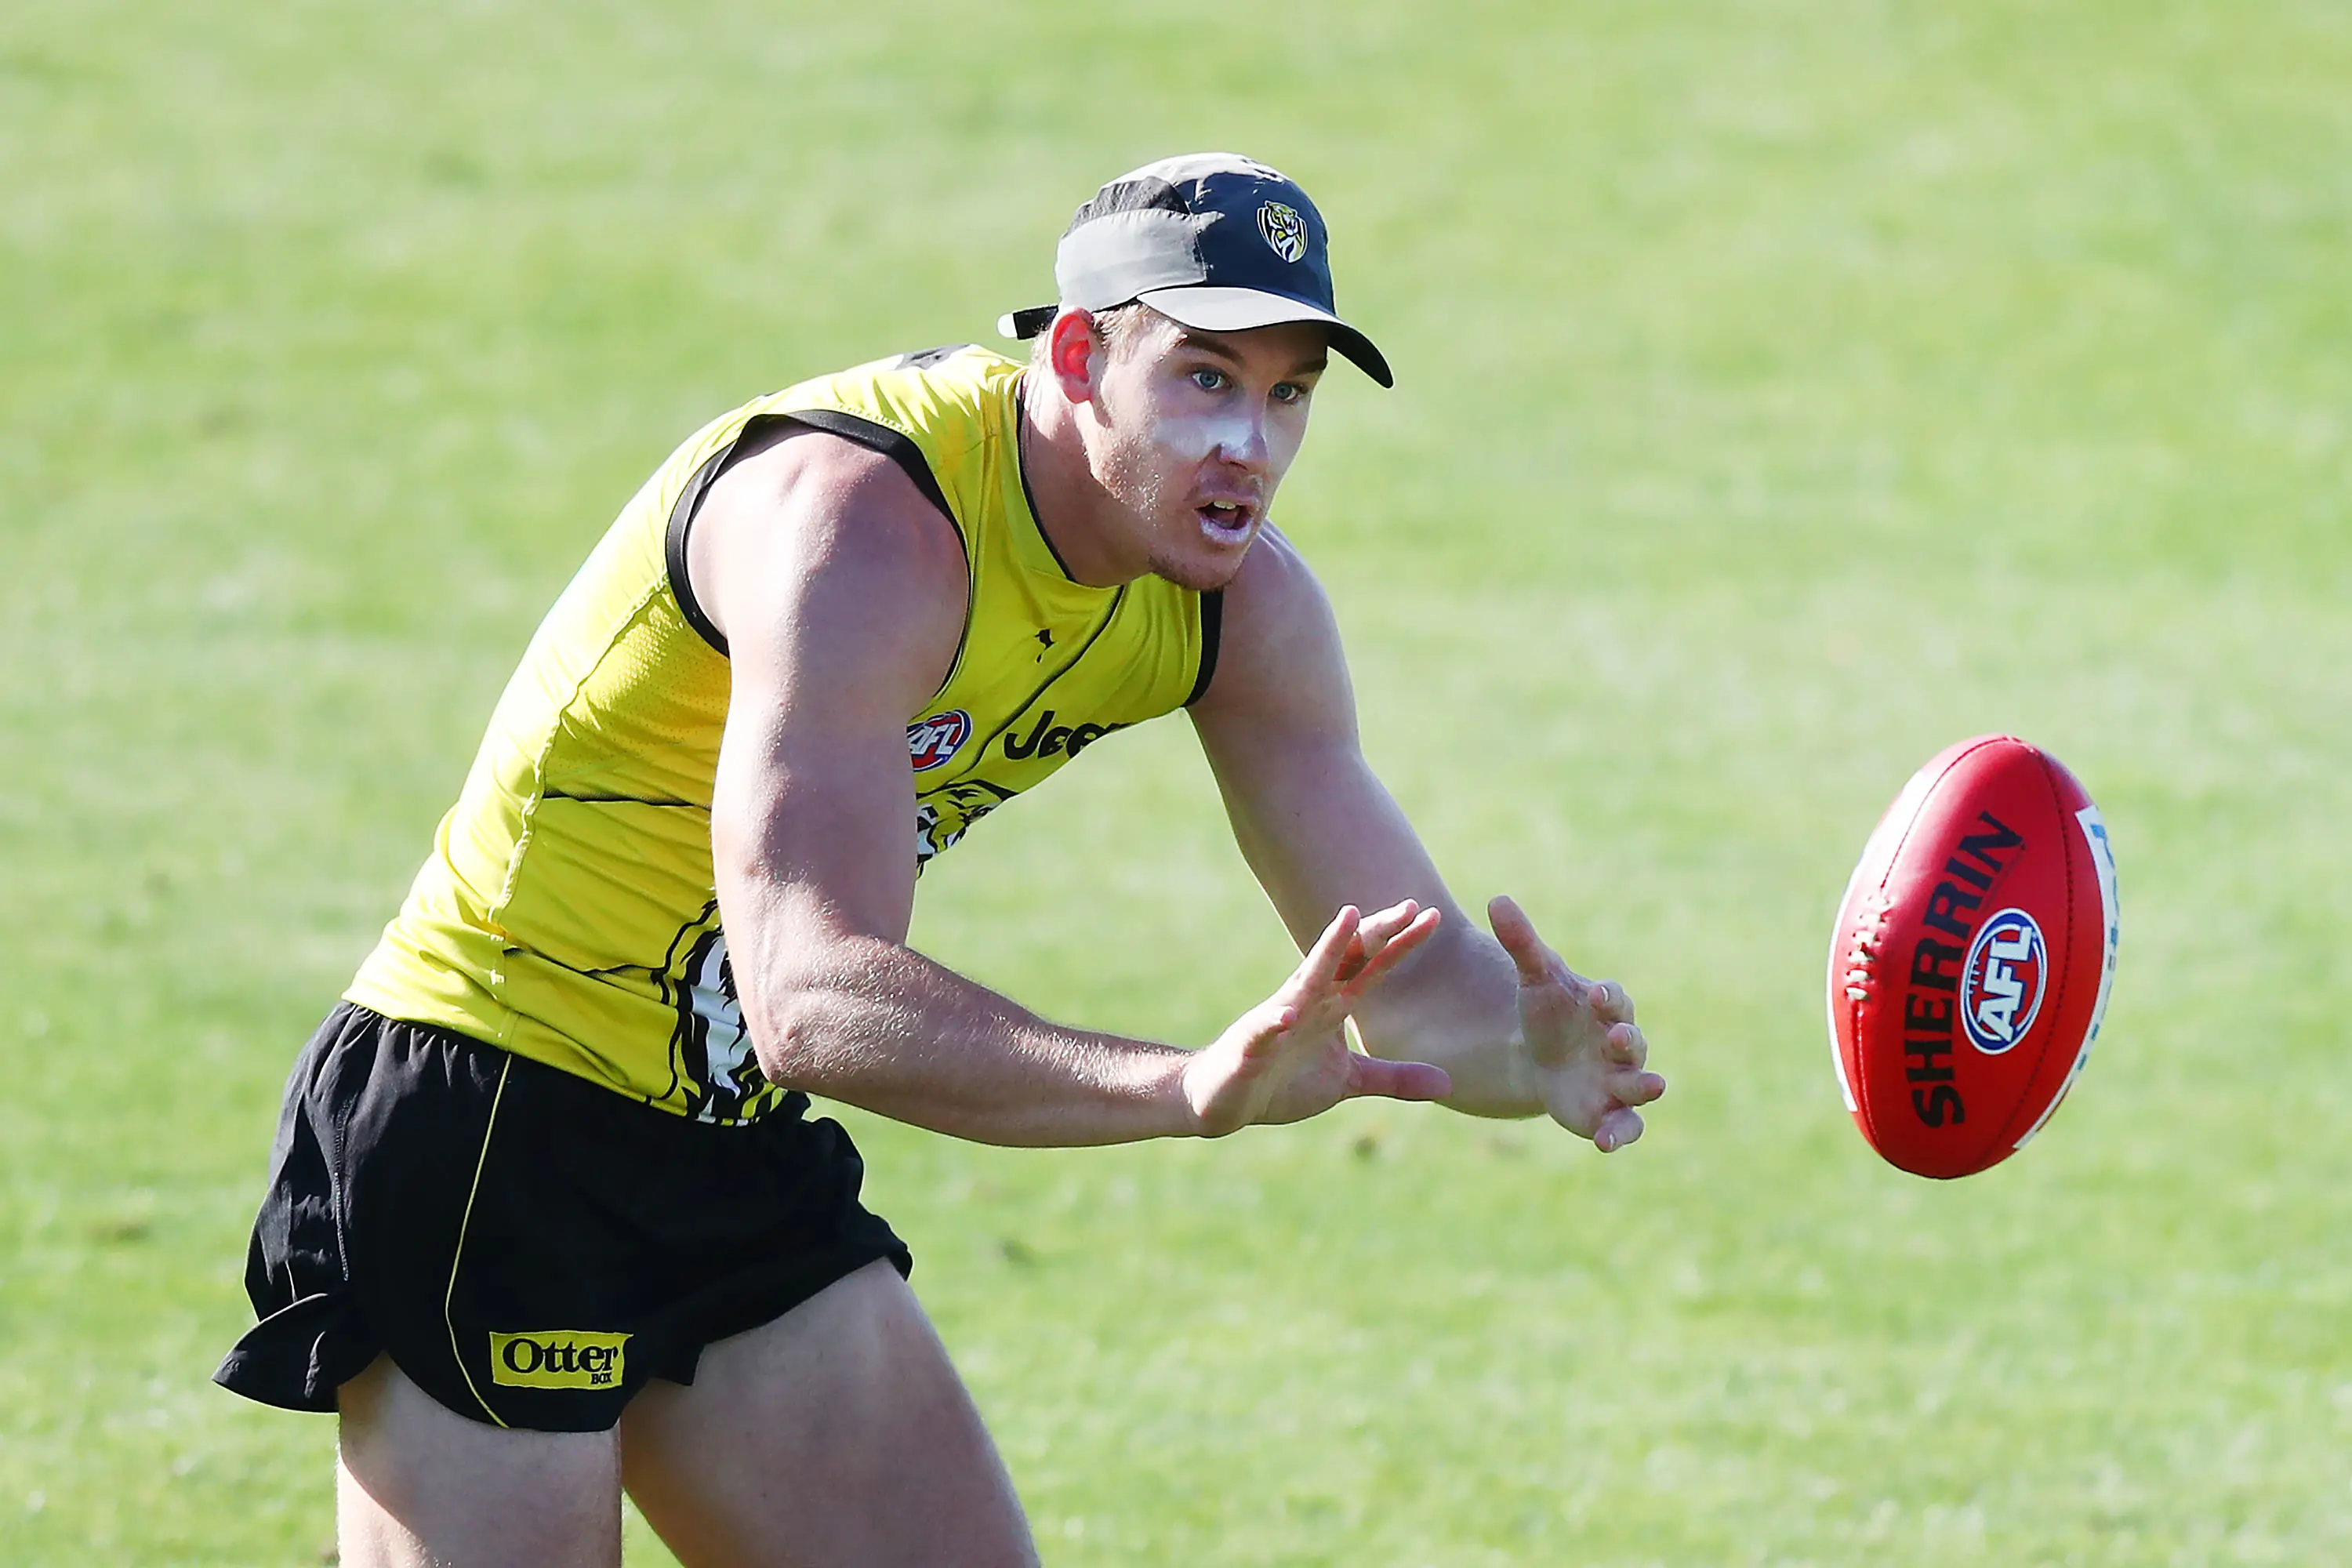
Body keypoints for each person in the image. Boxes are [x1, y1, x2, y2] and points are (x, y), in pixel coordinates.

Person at [215, 151, 1666, 1567]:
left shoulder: (1237, 610)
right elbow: (811, 999)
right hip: (490, 1117)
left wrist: (1524, 1050)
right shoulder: (863, 525)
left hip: (721, 1142)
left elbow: (1408, 991)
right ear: (1086, 357)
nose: (1252, 446)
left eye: (1290, 395)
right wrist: (1181, 1088)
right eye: (1206, 381)